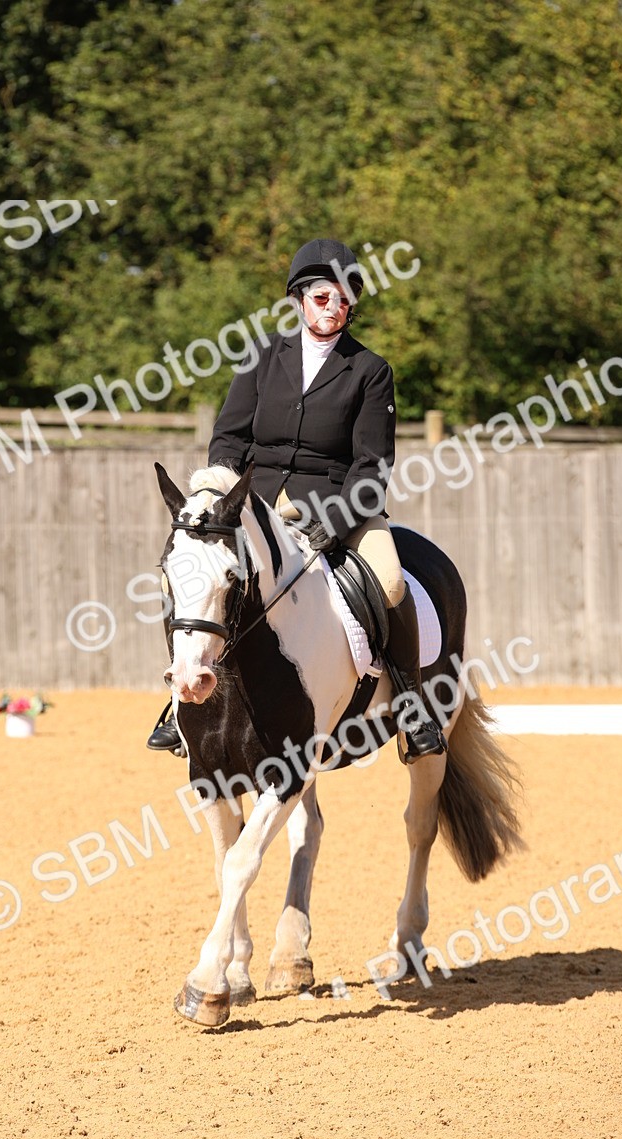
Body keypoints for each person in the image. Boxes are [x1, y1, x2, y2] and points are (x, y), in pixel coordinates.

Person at [148, 237, 446, 762]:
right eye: (322, 297)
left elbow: (372, 467)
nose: (334, 308)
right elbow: (230, 438)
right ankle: (179, 705)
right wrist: (219, 492)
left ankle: (412, 708)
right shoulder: (263, 357)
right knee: (196, 573)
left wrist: (334, 523)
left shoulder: (370, 371)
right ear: (299, 299)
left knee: (393, 581)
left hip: (338, 505)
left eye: (344, 299)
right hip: (255, 505)